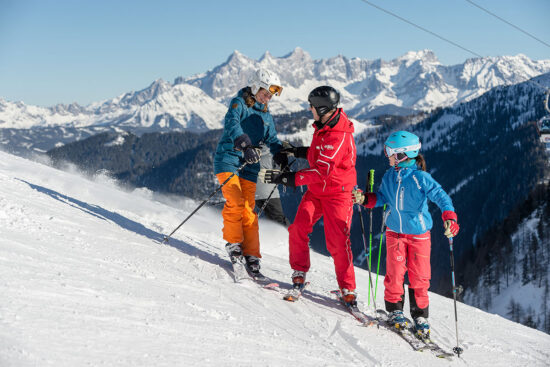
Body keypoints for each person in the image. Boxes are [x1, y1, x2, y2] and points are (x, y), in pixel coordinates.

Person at [351, 131, 460, 338]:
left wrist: (450, 217)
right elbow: (382, 198)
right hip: (394, 233)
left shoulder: (420, 178)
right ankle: (395, 311)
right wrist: (365, 199)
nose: (387, 156)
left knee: (419, 277)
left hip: (419, 235)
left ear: (403, 155)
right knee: (395, 273)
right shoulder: (389, 176)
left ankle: (420, 316)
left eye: (390, 153)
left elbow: (442, 197)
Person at [261, 86, 359, 305]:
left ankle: (347, 288)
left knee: (337, 242)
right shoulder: (326, 125)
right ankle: (299, 272)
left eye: (312, 106)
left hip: (338, 194)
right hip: (317, 191)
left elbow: (323, 169)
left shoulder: (338, 135)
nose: (309, 109)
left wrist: (287, 178)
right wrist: (296, 151)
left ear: (322, 108)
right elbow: (318, 152)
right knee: (298, 229)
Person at [213, 68, 286, 277]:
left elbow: (271, 138)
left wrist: (281, 152)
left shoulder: (265, 114)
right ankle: (234, 244)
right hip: (228, 159)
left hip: (250, 165)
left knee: (249, 212)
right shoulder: (239, 103)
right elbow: (231, 123)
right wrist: (244, 144)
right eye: (265, 92)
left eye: (271, 95)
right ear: (255, 86)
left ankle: (252, 255)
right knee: (235, 201)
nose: (268, 98)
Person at [255, 145, 290, 227]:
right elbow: (281, 169)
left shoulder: (248, 148)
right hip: (268, 191)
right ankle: (289, 238)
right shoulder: (272, 151)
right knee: (278, 219)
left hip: (251, 190)